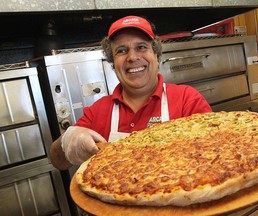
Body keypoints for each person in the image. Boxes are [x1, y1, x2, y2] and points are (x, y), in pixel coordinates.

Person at [50, 15, 212, 170]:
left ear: (156, 55)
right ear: (113, 62)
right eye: (121, 51)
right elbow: (57, 161)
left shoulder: (186, 99)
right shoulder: (99, 111)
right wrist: (67, 139)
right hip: (114, 190)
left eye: (141, 47)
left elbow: (213, 155)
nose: (132, 57)